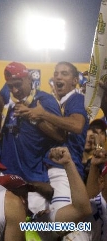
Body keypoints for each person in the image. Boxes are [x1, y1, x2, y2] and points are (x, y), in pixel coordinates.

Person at [22, 62, 88, 213]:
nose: (58, 77)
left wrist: (43, 114)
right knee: (37, 219)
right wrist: (33, 117)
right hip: (45, 170)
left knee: (63, 223)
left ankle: (83, 235)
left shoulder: (75, 99)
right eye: (56, 73)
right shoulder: (55, 103)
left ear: (75, 80)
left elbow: (77, 125)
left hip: (65, 170)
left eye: (64, 74)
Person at [0, 61, 63, 214]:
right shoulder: (8, 99)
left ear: (28, 79)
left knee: (36, 233)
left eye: (18, 84)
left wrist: (32, 116)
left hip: (34, 182)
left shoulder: (44, 100)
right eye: (10, 86)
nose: (15, 90)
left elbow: (59, 136)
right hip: (6, 180)